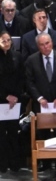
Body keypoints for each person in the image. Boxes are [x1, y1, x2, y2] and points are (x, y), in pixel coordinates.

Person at [0, 32, 24, 172]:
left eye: (9, 40)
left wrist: (15, 96)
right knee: (1, 134)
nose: (7, 43)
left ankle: (15, 163)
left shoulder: (17, 56)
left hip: (15, 101)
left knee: (14, 132)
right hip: (1, 100)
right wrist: (5, 96)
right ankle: (2, 164)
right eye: (3, 40)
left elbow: (21, 78)